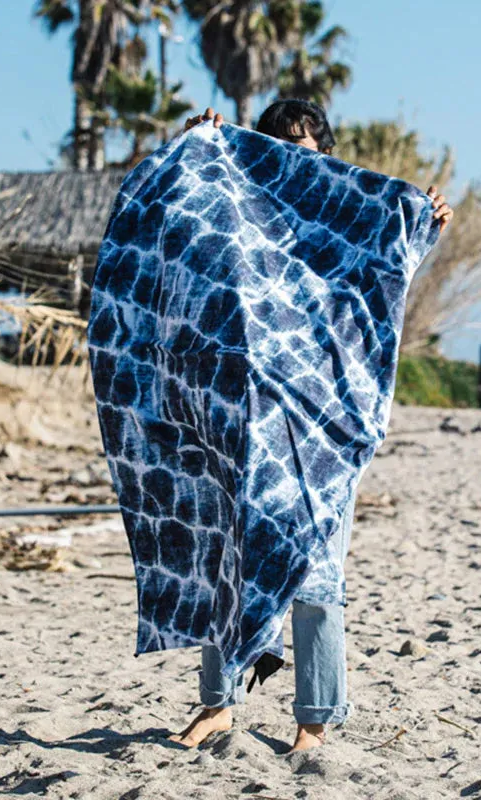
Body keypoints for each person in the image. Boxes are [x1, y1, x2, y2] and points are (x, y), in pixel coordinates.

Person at [165, 100, 453, 753]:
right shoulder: (236, 214)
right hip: (243, 413)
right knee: (226, 565)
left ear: (326, 155)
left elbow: (384, 279)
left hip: (327, 420)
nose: (294, 157)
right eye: (279, 146)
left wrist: (418, 226)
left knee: (319, 574)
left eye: (306, 146)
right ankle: (218, 704)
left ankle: (314, 720)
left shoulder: (345, 225)